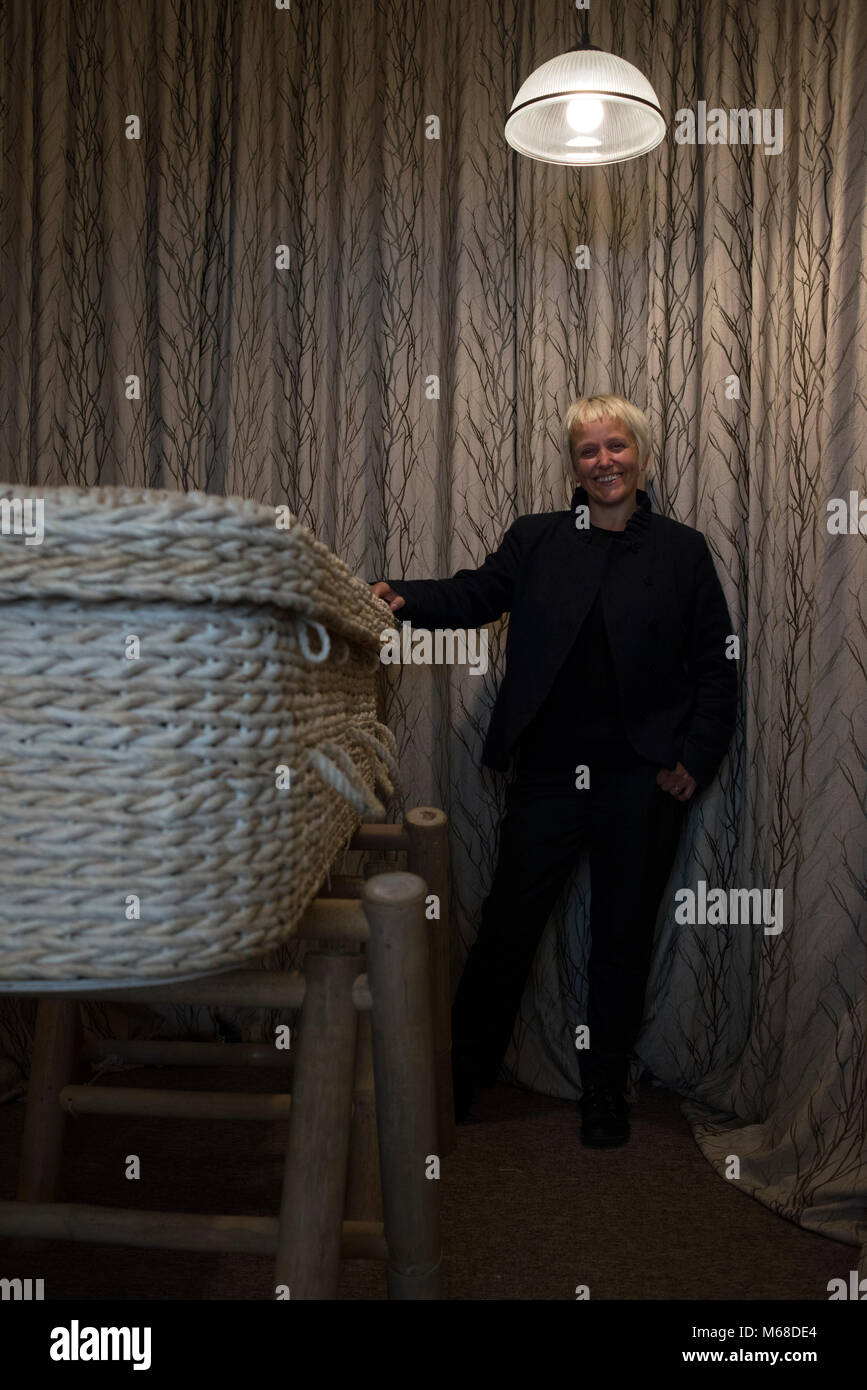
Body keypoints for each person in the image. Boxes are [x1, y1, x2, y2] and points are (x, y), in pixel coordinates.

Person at [370, 394, 737, 1146]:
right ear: (571, 465)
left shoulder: (682, 549)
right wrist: (400, 598)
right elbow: (475, 592)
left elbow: (715, 666)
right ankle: (455, 1085)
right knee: (506, 929)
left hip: (641, 781)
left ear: (639, 454)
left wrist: (694, 759)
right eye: (587, 450)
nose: (603, 461)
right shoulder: (538, 539)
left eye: (615, 446)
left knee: (621, 939)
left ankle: (604, 1094)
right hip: (545, 774)